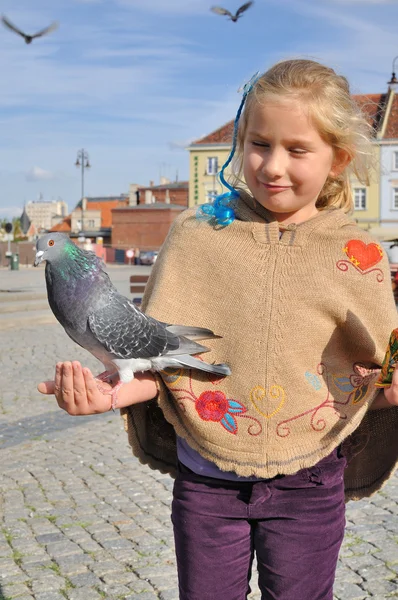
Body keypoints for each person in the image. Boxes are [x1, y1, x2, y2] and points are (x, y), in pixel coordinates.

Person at [38, 59, 398, 600]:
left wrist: (390, 388)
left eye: (297, 150)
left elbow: (377, 378)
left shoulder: (359, 254)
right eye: (259, 143)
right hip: (207, 480)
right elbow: (160, 366)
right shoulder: (196, 237)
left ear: (338, 159)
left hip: (312, 481)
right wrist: (108, 392)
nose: (273, 166)